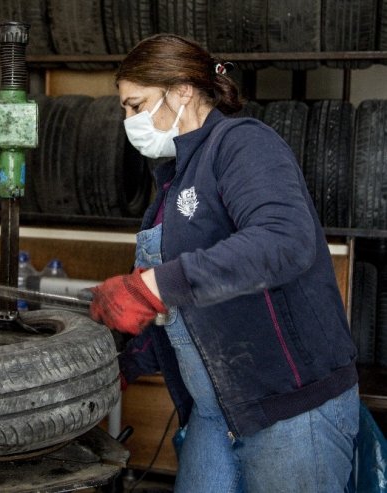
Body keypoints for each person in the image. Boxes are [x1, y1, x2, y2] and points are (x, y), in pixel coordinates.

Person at [89, 34, 359, 493]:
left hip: (290, 409)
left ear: (182, 90)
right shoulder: (172, 183)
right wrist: (125, 362)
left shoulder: (242, 144)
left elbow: (283, 240)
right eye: (125, 110)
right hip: (216, 411)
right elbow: (189, 310)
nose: (128, 121)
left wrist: (156, 284)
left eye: (136, 106)